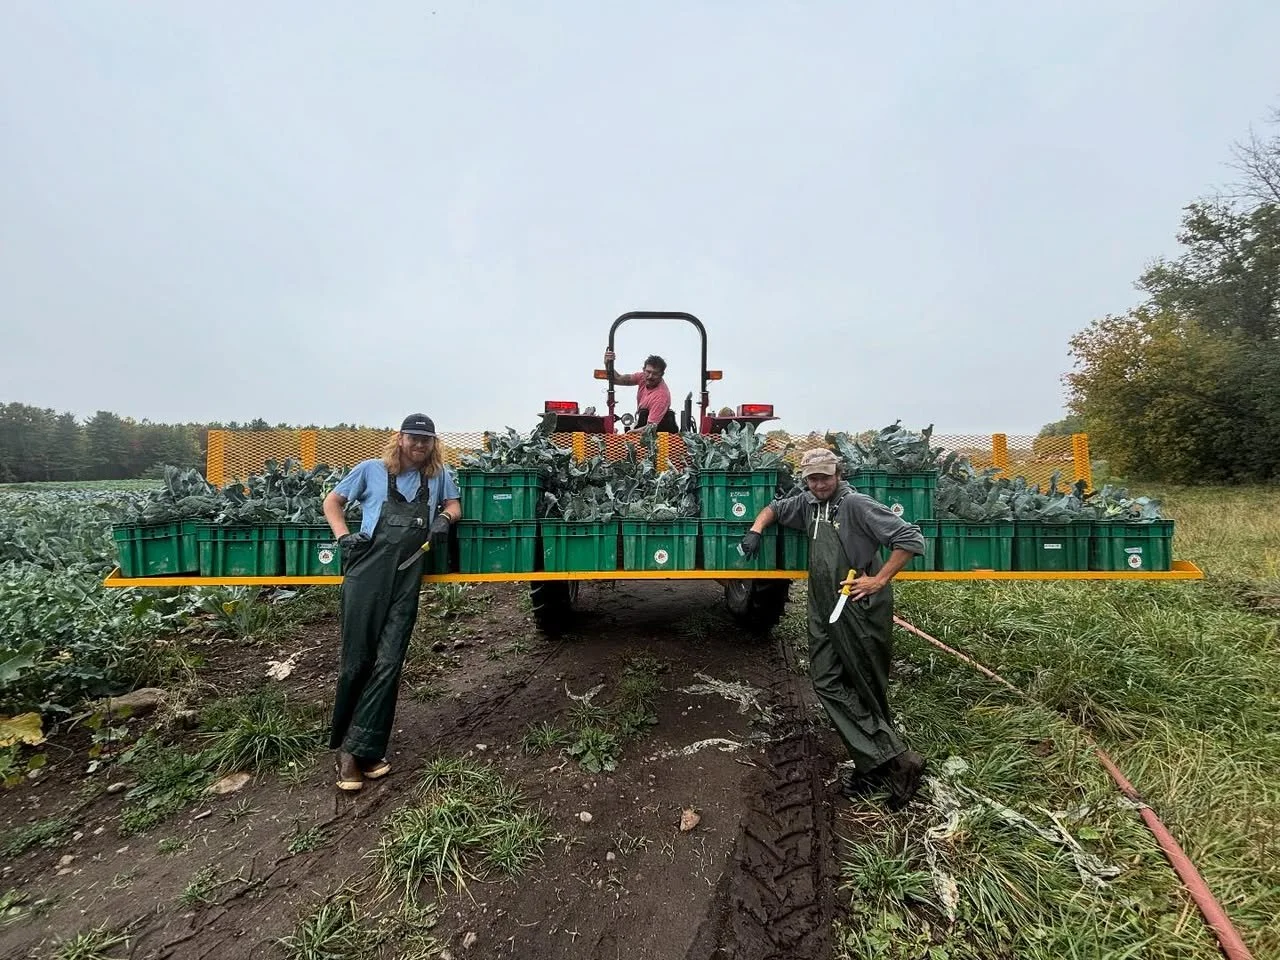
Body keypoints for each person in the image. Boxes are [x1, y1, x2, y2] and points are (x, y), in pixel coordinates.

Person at [738, 447, 928, 809]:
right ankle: (886, 757)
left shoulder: (855, 505)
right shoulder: (807, 503)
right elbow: (775, 508)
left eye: (825, 476)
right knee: (825, 680)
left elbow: (910, 539)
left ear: (837, 473)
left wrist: (879, 581)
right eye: (812, 478)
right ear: (805, 480)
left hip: (857, 606)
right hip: (824, 604)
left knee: (865, 685)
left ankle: (882, 765)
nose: (819, 483)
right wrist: (756, 529)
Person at [322, 413, 461, 792]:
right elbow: (332, 502)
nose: (419, 445)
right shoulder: (370, 470)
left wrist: (445, 520)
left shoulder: (438, 475)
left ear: (433, 443)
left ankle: (363, 748)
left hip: (407, 574)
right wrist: (342, 537)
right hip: (366, 573)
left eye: (426, 440)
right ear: (400, 439)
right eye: (413, 438)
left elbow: (453, 505)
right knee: (358, 658)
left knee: (389, 661)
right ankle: (348, 751)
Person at [602, 349, 677, 432]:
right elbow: (616, 379)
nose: (650, 376)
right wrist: (608, 364)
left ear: (661, 374)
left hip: (658, 434)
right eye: (648, 372)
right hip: (643, 423)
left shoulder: (661, 396)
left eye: (655, 374)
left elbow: (650, 428)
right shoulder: (642, 377)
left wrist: (630, 433)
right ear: (643, 370)